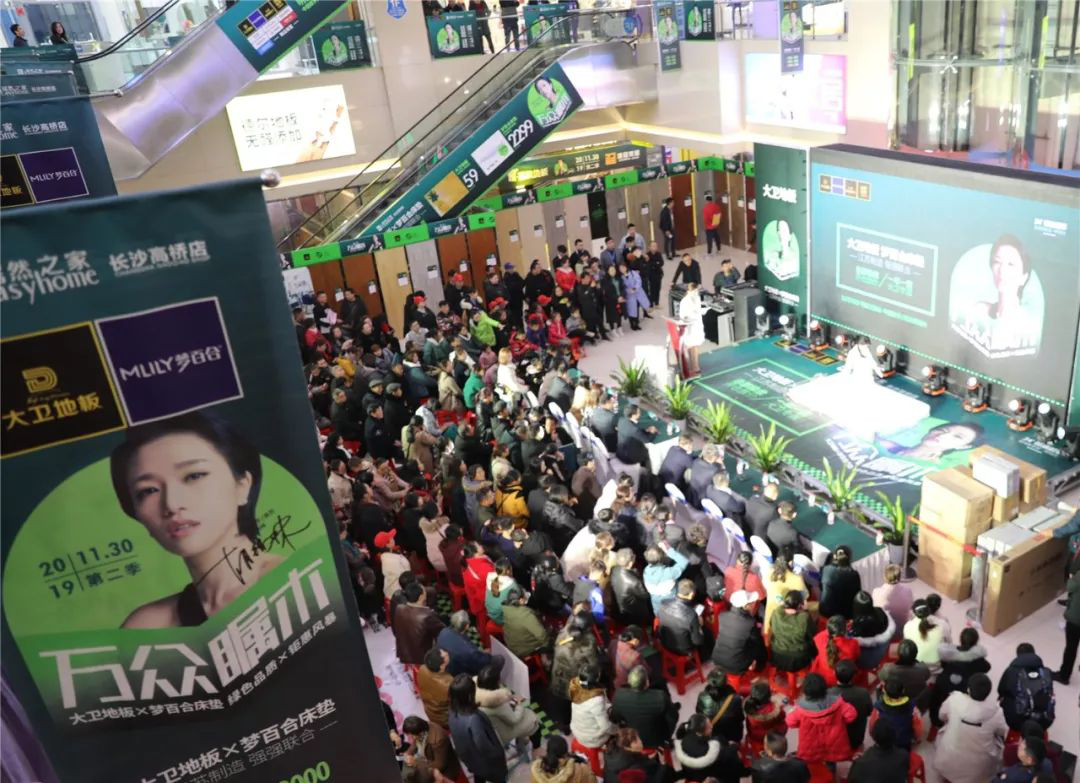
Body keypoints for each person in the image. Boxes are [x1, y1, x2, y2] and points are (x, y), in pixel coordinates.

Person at [110, 412, 282, 628]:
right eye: (148, 490)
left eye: (194, 476)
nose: (172, 504)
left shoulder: (295, 581)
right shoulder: (147, 628)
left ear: (242, 485)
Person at [934, 673, 1008, 783]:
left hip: (947, 759)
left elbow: (941, 716)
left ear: (968, 689)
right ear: (988, 692)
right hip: (980, 769)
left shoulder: (954, 699)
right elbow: (1003, 732)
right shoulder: (996, 711)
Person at [784, 673, 856, 764]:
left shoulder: (800, 709)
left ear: (805, 691)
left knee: (815, 764)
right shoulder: (838, 702)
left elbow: (790, 723)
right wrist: (840, 721)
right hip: (834, 742)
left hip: (811, 744)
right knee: (831, 760)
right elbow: (851, 715)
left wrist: (800, 723)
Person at [448, 674, 508, 783]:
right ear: (470, 695)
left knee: (479, 777)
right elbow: (484, 746)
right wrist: (498, 754)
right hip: (487, 763)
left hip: (470, 759)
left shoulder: (452, 711)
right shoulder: (473, 719)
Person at [475, 663, 541, 757]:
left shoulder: (476, 695)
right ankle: (537, 749)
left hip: (491, 729)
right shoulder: (496, 703)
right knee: (535, 722)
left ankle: (523, 740)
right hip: (503, 733)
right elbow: (514, 720)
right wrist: (519, 704)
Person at [931, 626, 990, 726]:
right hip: (964, 690)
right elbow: (987, 668)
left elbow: (943, 665)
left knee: (936, 701)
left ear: (960, 640)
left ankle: (936, 722)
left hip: (944, 685)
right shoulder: (978, 659)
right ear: (975, 643)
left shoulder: (947, 653)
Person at [673, 713, 747, 783]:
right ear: (699, 733)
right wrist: (734, 747)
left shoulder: (683, 742)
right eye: (709, 726)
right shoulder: (715, 751)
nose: (711, 726)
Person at [997, 643, 1056, 731]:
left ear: (1018, 656)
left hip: (1016, 722)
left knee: (1005, 696)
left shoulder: (1010, 671)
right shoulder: (1047, 672)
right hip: (1045, 721)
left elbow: (1001, 690)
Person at [711, 590, 766, 675]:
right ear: (746, 606)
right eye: (751, 603)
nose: (753, 604)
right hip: (735, 665)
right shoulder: (750, 622)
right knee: (760, 645)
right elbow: (756, 641)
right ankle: (758, 669)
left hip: (717, 658)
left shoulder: (722, 616)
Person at [394, 582, 446, 665]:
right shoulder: (427, 615)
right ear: (421, 596)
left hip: (403, 653)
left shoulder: (399, 608)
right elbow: (443, 632)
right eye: (424, 590)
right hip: (422, 658)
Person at [401, 714, 462, 783]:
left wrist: (416, 763)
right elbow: (416, 742)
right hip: (428, 763)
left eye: (412, 735)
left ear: (419, 732)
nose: (412, 738)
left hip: (445, 771)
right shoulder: (421, 729)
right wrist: (408, 752)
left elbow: (440, 765)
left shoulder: (438, 739)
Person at [827, 659, 871, 751]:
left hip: (835, 738)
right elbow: (869, 712)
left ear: (834, 673)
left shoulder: (828, 694)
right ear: (854, 676)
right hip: (856, 738)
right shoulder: (863, 693)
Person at [768, 589, 815, 674]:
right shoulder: (804, 618)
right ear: (800, 605)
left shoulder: (776, 613)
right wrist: (806, 611)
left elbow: (771, 624)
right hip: (798, 660)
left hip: (777, 656)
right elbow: (813, 634)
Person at [569, 664, 614, 750]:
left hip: (578, 730)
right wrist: (617, 730)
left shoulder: (576, 686)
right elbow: (606, 727)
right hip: (592, 739)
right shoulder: (596, 701)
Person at [603, 727, 672, 783]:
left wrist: (646, 758)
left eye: (638, 737)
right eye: (636, 741)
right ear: (627, 747)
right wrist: (663, 764)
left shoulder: (610, 754)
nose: (640, 741)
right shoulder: (638, 770)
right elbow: (655, 781)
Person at [438, 610, 496, 676]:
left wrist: (480, 653)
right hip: (461, 673)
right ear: (467, 626)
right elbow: (482, 661)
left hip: (449, 665)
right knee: (498, 659)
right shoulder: (469, 651)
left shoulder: (443, 631)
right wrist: (486, 655)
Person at [657, 579, 705, 656]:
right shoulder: (691, 615)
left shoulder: (663, 603)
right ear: (691, 594)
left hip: (665, 642)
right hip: (683, 650)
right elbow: (698, 641)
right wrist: (699, 626)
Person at [879, 639, 932, 709]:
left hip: (896, 701)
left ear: (898, 654)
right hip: (916, 700)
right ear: (915, 654)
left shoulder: (888, 670)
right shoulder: (923, 669)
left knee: (879, 687)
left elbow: (880, 677)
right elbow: (928, 676)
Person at [850, 590, 895, 670]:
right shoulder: (880, 611)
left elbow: (853, 637)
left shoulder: (859, 625)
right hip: (881, 651)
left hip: (866, 657)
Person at [501, 587, 551, 658]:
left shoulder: (507, 610)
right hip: (525, 649)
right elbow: (541, 635)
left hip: (512, 645)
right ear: (521, 600)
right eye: (525, 596)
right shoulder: (525, 615)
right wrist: (547, 644)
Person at [811, 615, 859, 688]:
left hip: (822, 677)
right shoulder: (853, 644)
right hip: (843, 678)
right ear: (844, 630)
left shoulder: (819, 638)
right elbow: (857, 656)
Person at [763, 556, 807, 634]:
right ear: (790, 562)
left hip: (769, 614)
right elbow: (805, 596)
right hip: (787, 613)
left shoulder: (768, 571)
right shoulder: (796, 579)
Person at [643, 541, 689, 613]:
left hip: (656, 604)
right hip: (671, 601)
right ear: (662, 558)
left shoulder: (646, 571)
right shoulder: (669, 573)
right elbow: (684, 561)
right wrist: (669, 551)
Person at [871, 564, 913, 641]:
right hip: (902, 631)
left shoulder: (876, 592)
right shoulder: (908, 591)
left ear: (884, 577)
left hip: (884, 633)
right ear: (900, 577)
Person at [872, 677, 916, 750]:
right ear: (903, 690)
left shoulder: (879, 706)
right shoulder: (912, 706)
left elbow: (872, 724)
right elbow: (917, 725)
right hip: (904, 740)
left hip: (886, 741)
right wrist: (916, 738)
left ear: (885, 692)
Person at [819, 545, 861, 619]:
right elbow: (857, 593)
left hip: (826, 610)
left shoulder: (826, 569)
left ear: (835, 556)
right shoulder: (853, 574)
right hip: (846, 613)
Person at [418, 647, 454, 728]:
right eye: (445, 655)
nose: (446, 652)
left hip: (430, 711)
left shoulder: (423, 668)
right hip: (445, 717)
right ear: (442, 666)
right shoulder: (448, 685)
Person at [678, 282, 706, 376]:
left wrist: (701, 311)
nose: (696, 293)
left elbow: (698, 309)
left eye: (696, 291)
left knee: (696, 346)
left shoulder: (697, 298)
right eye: (694, 291)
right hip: (690, 326)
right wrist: (691, 315)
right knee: (691, 346)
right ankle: (691, 366)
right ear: (689, 291)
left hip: (697, 325)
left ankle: (696, 365)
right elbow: (683, 315)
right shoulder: (684, 301)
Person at [723, 553, 765, 617]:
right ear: (751, 564)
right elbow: (762, 596)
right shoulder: (754, 578)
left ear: (737, 560)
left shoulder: (728, 570)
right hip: (747, 612)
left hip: (728, 605)